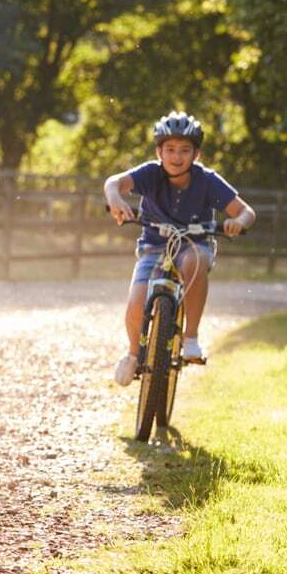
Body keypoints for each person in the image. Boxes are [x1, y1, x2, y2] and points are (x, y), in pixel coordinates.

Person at [104, 111, 256, 386]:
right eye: (170, 149)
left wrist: (237, 221)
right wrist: (115, 199)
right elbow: (113, 183)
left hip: (194, 243)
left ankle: (191, 338)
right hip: (154, 246)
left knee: (193, 261)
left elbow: (246, 211)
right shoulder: (150, 173)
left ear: (196, 155)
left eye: (185, 150)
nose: (177, 157)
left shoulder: (208, 180)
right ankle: (133, 354)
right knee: (137, 303)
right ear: (158, 151)